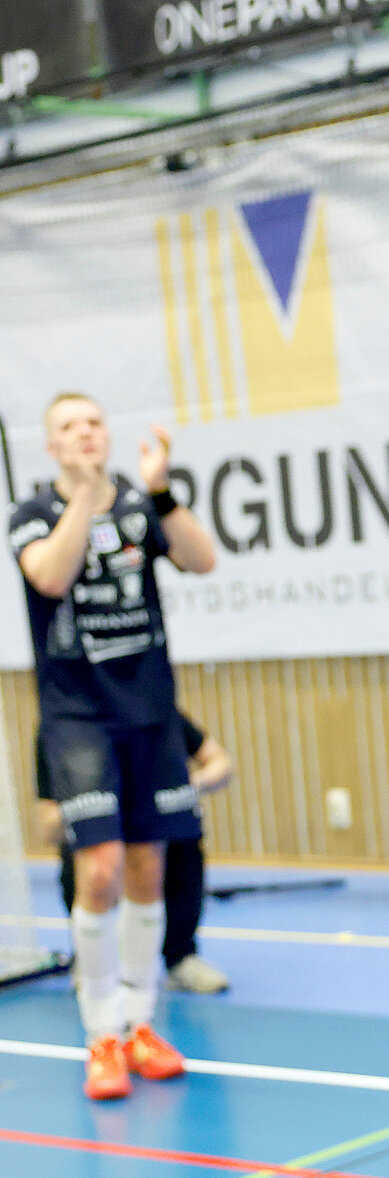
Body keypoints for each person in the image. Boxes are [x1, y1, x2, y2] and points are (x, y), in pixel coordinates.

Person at [8, 393, 217, 1100]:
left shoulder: (138, 504)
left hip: (149, 714)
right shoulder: (35, 515)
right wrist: (87, 500)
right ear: (54, 447)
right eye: (70, 427)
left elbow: (201, 559)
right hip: (78, 719)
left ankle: (140, 1023)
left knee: (146, 871)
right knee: (96, 870)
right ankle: (100, 1032)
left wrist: (157, 490)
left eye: (94, 423)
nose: (87, 434)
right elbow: (50, 575)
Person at [37, 713, 235, 994]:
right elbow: (48, 825)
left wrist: (189, 784)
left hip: (154, 825)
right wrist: (91, 811)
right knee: (90, 856)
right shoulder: (62, 725)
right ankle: (93, 960)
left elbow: (221, 763)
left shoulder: (156, 710)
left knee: (180, 834)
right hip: (101, 826)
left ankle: (180, 957)